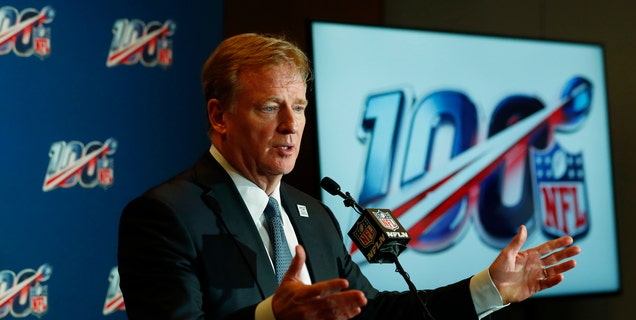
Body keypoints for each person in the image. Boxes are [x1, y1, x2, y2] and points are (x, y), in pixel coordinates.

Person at [117, 33, 581, 320]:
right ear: (220, 116)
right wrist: (271, 318)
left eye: (299, 107)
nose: (291, 125)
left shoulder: (313, 216)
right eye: (268, 108)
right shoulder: (166, 216)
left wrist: (489, 288)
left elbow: (375, 314)